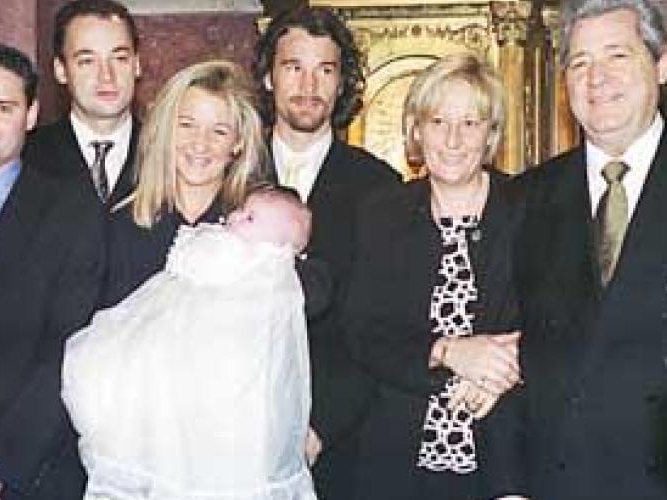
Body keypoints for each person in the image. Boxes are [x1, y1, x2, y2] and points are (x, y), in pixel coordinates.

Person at [342, 54, 526, 500]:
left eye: (470, 123)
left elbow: (559, 320)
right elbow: (363, 333)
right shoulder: (381, 214)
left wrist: (507, 367)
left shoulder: (530, 208)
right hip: (397, 461)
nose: (453, 139)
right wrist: (448, 352)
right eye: (438, 121)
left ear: (491, 133)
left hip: (507, 456)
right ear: (416, 130)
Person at [63, 186, 317, 500]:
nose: (235, 217)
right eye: (242, 210)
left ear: (277, 245)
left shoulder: (257, 263)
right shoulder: (231, 247)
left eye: (250, 218)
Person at [515, 0, 667, 497]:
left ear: (663, 64)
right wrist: (507, 487)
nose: (596, 79)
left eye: (617, 56)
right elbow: (499, 349)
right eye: (579, 63)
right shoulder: (525, 197)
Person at [0, 44, 104, 500]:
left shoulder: (74, 212)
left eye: (4, 107)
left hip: (30, 475)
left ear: (31, 114)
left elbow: (69, 351)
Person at [253, 7, 400, 496]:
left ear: (342, 85)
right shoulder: (230, 171)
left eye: (325, 70)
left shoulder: (380, 187)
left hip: (341, 440)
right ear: (269, 77)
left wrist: (321, 427)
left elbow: (382, 323)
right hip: (235, 429)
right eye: (293, 67)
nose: (308, 85)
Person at [101, 59, 267, 306]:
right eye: (187, 125)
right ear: (166, 129)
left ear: (239, 142)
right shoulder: (123, 225)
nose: (200, 143)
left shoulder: (260, 224)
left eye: (219, 131)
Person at [24, 0, 140, 207]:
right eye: (87, 61)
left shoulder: (170, 153)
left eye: (120, 58)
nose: (107, 76)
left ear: (137, 65)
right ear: (61, 70)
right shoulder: (25, 157)